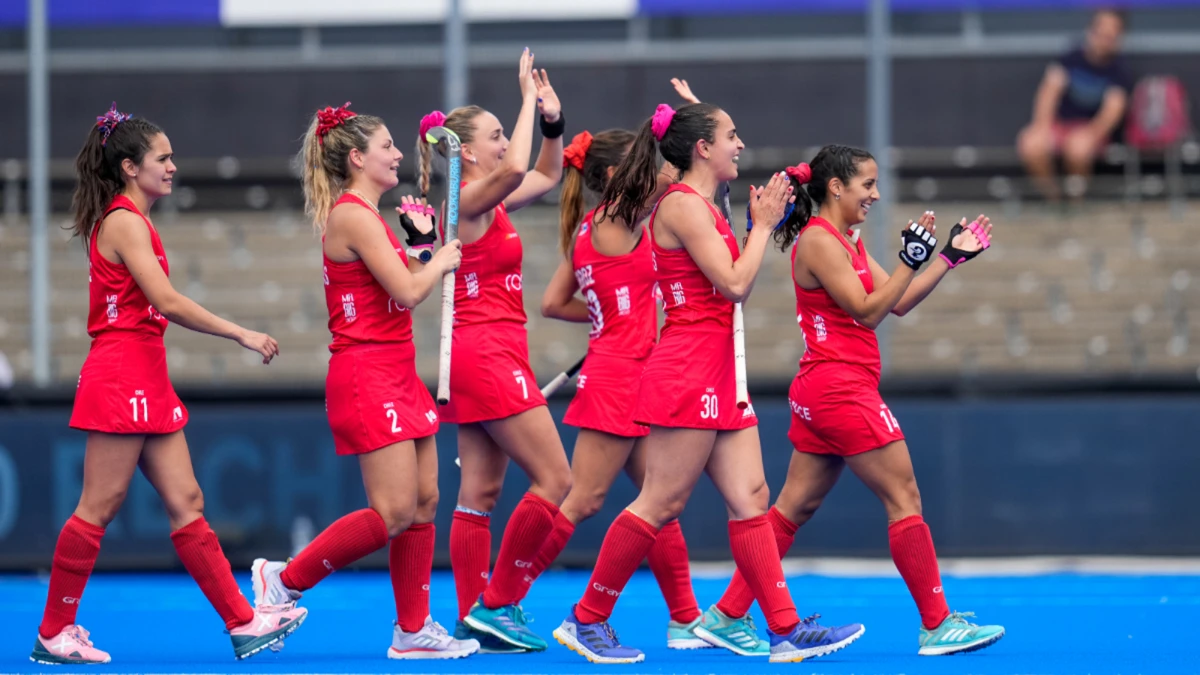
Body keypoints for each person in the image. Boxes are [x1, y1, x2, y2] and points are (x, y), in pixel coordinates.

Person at [550, 102, 863, 665]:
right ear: (702, 148)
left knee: (751, 498)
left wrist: (759, 224)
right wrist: (762, 227)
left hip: (716, 367)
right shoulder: (681, 206)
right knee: (661, 500)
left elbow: (734, 279)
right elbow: (735, 283)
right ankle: (586, 618)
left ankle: (784, 628)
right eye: (730, 135)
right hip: (688, 367)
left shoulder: (699, 203)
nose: (740, 144)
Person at [32, 104, 307, 665]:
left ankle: (242, 622)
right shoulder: (125, 221)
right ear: (130, 167)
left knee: (187, 501)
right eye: (163, 158)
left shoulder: (134, 220)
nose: (173, 166)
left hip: (143, 371)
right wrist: (240, 333)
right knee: (98, 506)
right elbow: (167, 301)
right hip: (122, 371)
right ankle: (55, 631)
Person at [710, 145, 1005, 657]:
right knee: (904, 497)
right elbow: (868, 311)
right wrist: (908, 262)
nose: (876, 195)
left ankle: (727, 614)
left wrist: (947, 258)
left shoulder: (845, 239)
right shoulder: (820, 242)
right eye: (867, 185)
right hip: (840, 389)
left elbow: (898, 301)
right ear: (836, 187)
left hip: (827, 389)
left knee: (793, 508)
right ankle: (937, 624)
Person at [249, 103, 476, 660]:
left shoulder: (370, 216)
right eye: (387, 146)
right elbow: (410, 292)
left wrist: (423, 247)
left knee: (424, 503)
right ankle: (283, 579)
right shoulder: (352, 215)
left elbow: (402, 286)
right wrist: (442, 258)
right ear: (356, 158)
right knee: (393, 511)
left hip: (397, 368)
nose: (398, 154)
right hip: (367, 372)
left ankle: (413, 631)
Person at [535, 126, 715, 651]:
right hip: (621, 377)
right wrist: (689, 142)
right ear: (618, 174)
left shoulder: (593, 224)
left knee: (659, 500)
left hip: (631, 372)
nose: (656, 172)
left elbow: (553, 303)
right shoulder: (621, 218)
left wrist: (611, 317)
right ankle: (501, 600)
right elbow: (678, 183)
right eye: (645, 163)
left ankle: (685, 618)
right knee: (584, 499)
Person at [416, 48, 571, 653]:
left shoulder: (490, 201)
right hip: (486, 355)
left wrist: (551, 121)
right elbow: (515, 170)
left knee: (479, 495)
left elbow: (548, 174)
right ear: (467, 152)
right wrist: (527, 98)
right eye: (497, 135)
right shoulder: (466, 201)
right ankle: (497, 602)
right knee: (555, 478)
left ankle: (471, 616)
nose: (507, 142)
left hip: (488, 352)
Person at [1017, 7, 1130, 203]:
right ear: (1091, 31)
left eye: (1111, 35)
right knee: (1031, 143)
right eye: (1101, 32)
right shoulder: (1069, 59)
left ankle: (1076, 201)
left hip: (1091, 131)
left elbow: (1113, 111)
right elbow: (1048, 93)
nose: (1104, 39)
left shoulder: (1119, 70)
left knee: (1079, 148)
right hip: (1061, 125)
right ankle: (1053, 199)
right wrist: (1042, 126)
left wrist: (1091, 134)